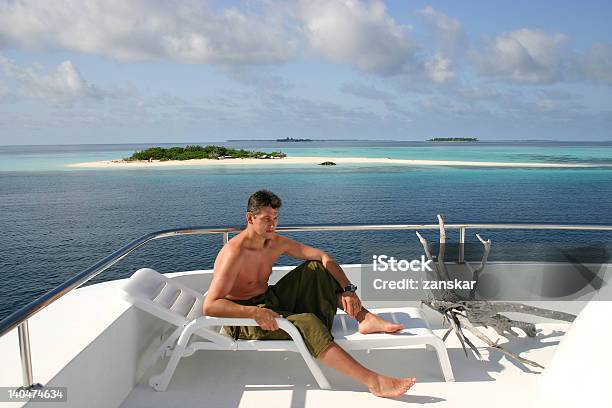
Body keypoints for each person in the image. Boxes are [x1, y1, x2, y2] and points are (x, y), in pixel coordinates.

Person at [203, 190, 416, 398]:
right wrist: (254, 313)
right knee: (308, 322)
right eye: (267, 219)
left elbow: (323, 256)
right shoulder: (234, 254)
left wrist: (348, 290)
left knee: (316, 268)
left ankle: (364, 318)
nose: (273, 225)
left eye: (276, 218)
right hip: (243, 319)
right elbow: (210, 305)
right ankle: (374, 382)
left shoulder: (274, 242)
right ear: (250, 218)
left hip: (269, 299)